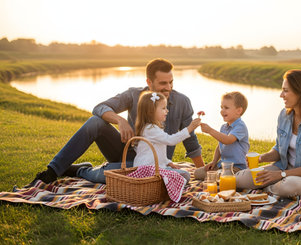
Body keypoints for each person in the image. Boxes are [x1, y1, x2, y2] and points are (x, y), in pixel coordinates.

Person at [26, 58, 204, 187]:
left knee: (112, 175)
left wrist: (203, 173)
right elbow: (100, 107)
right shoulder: (133, 95)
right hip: (125, 153)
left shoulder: (182, 102)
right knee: (94, 122)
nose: (168, 88)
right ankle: (51, 172)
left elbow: (190, 141)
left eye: (171, 82)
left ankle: (78, 170)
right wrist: (120, 120)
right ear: (149, 82)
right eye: (163, 83)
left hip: (153, 163)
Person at [235, 70, 301, 197]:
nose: (281, 95)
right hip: (282, 169)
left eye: (286, 91)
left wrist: (280, 175)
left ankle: (269, 188)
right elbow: (278, 151)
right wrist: (260, 158)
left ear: (300, 92)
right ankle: (272, 187)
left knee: (288, 186)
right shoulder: (284, 115)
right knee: (240, 179)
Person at [131, 91, 200, 182]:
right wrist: (189, 129)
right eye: (163, 108)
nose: (167, 111)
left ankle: (165, 182)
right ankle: (164, 184)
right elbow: (170, 140)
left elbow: (159, 152)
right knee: (185, 175)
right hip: (148, 170)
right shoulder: (150, 129)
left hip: (153, 168)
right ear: (151, 111)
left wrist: (168, 162)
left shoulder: (151, 128)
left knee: (183, 174)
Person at [194, 91, 249, 180]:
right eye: (221, 107)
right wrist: (214, 162)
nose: (222, 111)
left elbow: (228, 140)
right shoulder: (224, 127)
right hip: (222, 165)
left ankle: (220, 179)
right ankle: (217, 177)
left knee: (217, 177)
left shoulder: (240, 126)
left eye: (226, 108)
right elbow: (220, 146)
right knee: (198, 173)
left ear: (238, 110)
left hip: (236, 167)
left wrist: (210, 130)